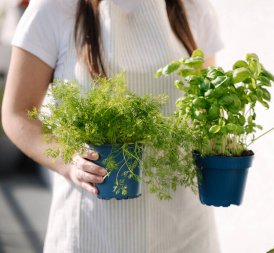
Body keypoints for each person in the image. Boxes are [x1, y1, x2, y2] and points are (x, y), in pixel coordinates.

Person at [1, 0, 223, 252]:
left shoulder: (193, 8)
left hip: (185, 227)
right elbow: (17, 113)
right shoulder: (53, 8)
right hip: (93, 226)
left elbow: (207, 108)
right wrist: (69, 160)